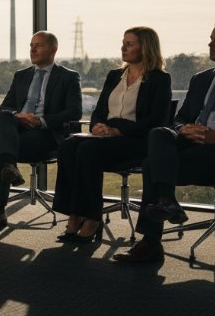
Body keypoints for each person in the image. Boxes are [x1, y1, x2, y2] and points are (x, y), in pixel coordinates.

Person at [115, 19, 215, 263]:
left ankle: (152, 240)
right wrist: (185, 129)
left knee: (152, 166)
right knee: (160, 133)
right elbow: (180, 118)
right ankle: (166, 202)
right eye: (211, 38)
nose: (210, 44)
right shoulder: (201, 79)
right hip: (192, 144)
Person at [52, 27, 171, 242]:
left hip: (137, 139)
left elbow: (156, 120)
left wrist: (118, 130)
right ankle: (74, 213)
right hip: (107, 136)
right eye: (123, 43)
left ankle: (92, 218)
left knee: (88, 149)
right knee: (68, 145)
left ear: (145, 47)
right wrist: (97, 126)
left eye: (130, 44)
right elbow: (99, 111)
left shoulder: (159, 79)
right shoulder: (115, 75)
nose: (123, 48)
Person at [0, 31, 82, 230]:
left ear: (53, 49)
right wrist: (18, 115)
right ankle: (10, 166)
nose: (32, 49)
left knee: (2, 149)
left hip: (46, 134)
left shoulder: (68, 77)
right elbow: (5, 107)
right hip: (17, 129)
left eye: (38, 45)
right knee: (3, 116)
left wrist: (41, 121)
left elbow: (75, 112)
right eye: (31, 45)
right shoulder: (21, 75)